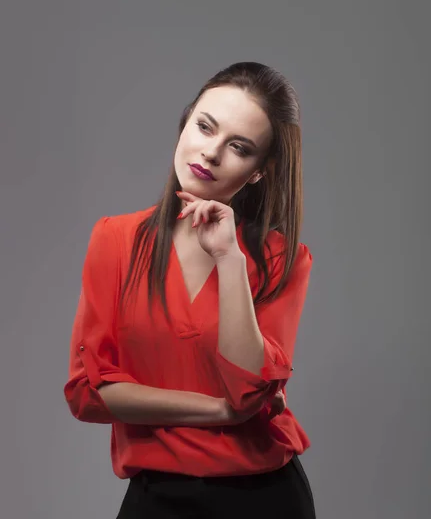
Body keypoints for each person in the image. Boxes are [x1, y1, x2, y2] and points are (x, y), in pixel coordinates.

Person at [64, 61, 316, 518]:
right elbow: (86, 393)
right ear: (185, 124)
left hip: (265, 499)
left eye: (239, 147)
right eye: (204, 126)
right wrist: (222, 413)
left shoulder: (283, 259)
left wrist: (229, 258)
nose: (211, 153)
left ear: (259, 171)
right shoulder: (114, 240)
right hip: (155, 499)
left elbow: (247, 392)